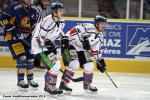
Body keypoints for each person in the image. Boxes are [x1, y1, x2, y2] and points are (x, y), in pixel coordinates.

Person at [59, 15, 107, 93]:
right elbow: (72, 31)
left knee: (90, 65)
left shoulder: (100, 37)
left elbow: (96, 51)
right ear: (97, 24)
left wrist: (100, 61)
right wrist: (82, 40)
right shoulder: (88, 27)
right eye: (102, 24)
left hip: (81, 49)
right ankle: (63, 84)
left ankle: (87, 84)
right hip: (70, 45)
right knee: (74, 64)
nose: (104, 26)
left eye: (105, 24)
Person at [0, 0, 39, 90]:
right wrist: (12, 29)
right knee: (22, 58)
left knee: (30, 59)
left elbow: (34, 23)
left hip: (27, 37)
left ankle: (30, 79)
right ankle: (20, 80)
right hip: (13, 37)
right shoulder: (13, 7)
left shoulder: (33, 9)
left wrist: (34, 31)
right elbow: (2, 19)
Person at [31, 2, 65, 95]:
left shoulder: (61, 21)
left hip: (48, 47)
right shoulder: (47, 21)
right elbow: (38, 36)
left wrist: (64, 37)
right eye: (60, 10)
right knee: (54, 66)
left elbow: (57, 32)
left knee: (55, 65)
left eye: (62, 10)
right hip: (39, 48)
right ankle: (50, 87)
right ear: (54, 11)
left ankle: (48, 87)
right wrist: (46, 43)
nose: (62, 12)